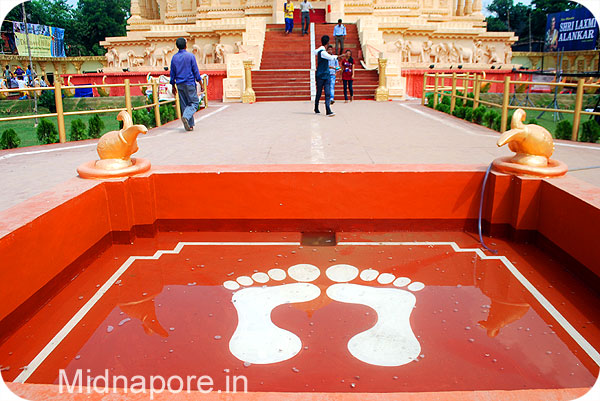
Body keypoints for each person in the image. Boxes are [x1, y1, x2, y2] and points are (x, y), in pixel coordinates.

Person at [170, 37, 203, 132]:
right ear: (185, 45)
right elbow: (195, 71)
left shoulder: (174, 58)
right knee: (194, 103)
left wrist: (173, 85)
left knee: (185, 105)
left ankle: (190, 124)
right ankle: (186, 117)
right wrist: (200, 82)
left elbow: (172, 73)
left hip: (179, 84)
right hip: (189, 83)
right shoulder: (190, 56)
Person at [314, 35, 340, 116]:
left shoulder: (321, 50)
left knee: (327, 92)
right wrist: (339, 56)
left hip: (326, 74)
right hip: (321, 75)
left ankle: (328, 109)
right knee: (319, 92)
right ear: (327, 42)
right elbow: (330, 57)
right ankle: (316, 106)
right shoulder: (322, 52)